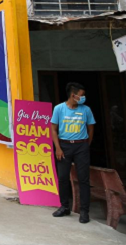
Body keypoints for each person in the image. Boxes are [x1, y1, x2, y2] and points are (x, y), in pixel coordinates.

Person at [51, 82, 96, 224]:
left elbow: (91, 128)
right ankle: (64, 207)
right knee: (63, 178)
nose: (83, 98)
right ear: (73, 95)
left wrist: (86, 145)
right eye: (81, 95)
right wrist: (58, 148)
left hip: (81, 146)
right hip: (64, 146)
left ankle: (84, 211)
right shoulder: (59, 109)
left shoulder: (86, 110)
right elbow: (53, 129)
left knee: (83, 179)